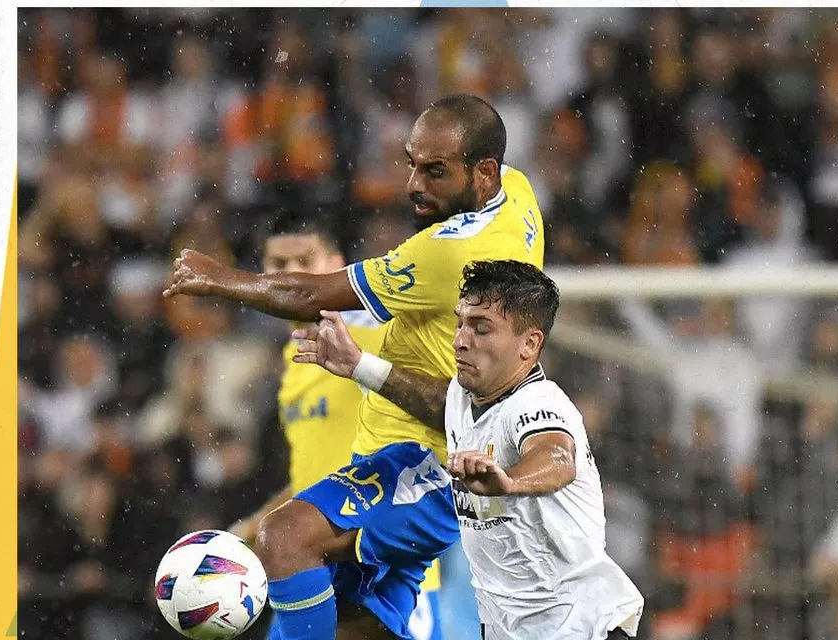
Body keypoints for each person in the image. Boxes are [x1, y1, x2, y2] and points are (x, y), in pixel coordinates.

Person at [163, 94, 546, 640]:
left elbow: (310, 296)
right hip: (375, 479)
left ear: (483, 174)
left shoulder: (441, 263)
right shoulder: (517, 191)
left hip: (422, 470)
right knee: (340, 609)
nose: (414, 185)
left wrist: (220, 278)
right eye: (412, 163)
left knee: (288, 539)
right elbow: (311, 469)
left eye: (435, 171)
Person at [292, 260, 645, 639]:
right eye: (461, 322)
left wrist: (509, 481)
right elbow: (436, 402)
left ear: (530, 344)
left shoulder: (538, 404)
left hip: (583, 628)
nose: (461, 339)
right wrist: (359, 365)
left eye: (481, 328)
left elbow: (557, 456)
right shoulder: (467, 397)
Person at [228, 213, 444, 640]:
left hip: (379, 575)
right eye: (278, 264)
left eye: (304, 260)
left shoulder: (364, 332)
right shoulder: (294, 364)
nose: (290, 275)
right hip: (313, 571)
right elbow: (314, 474)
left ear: (337, 265)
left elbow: (438, 395)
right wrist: (249, 528)